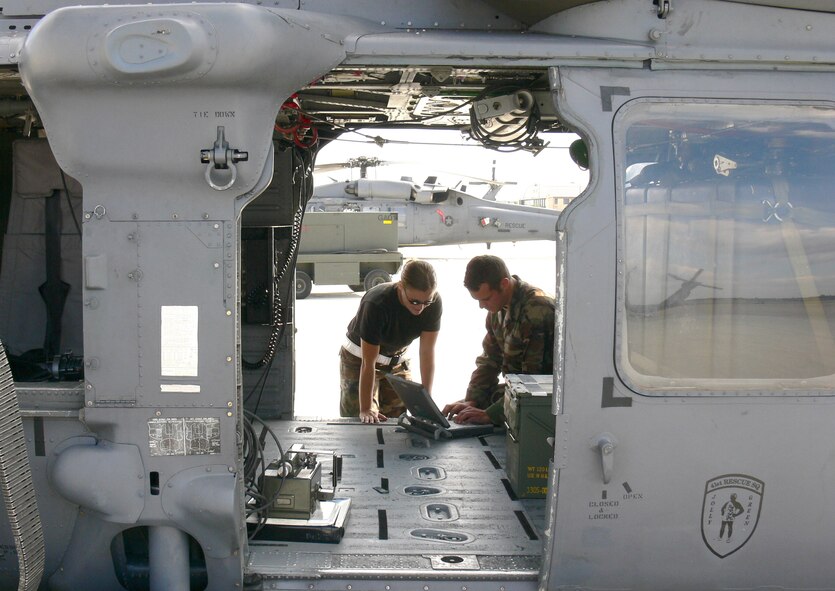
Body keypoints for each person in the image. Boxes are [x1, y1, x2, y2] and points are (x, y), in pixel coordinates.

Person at [442, 255, 555, 425]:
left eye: (486, 299)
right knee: (466, 410)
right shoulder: (497, 311)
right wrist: (472, 400)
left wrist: (491, 414)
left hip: (543, 401)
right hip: (518, 393)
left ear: (504, 284)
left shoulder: (536, 311)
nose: (482, 306)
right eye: (478, 300)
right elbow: (490, 361)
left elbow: (532, 381)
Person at [340, 259, 442, 424]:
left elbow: (427, 353)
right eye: (414, 301)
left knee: (397, 421)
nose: (420, 308)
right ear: (401, 286)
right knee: (361, 421)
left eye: (426, 302)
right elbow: (368, 363)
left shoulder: (434, 303)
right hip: (359, 359)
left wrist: (427, 404)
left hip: (396, 360)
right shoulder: (377, 303)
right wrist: (366, 408)